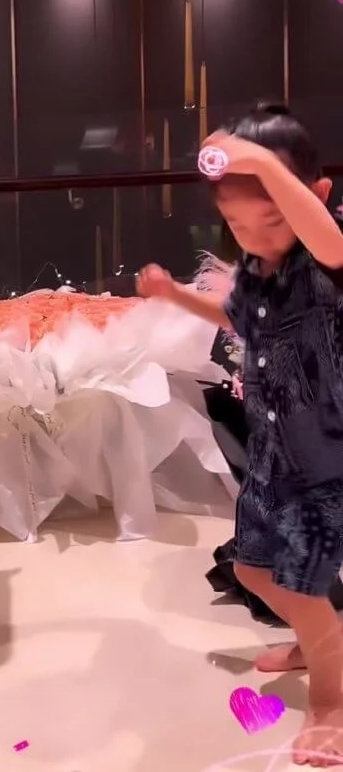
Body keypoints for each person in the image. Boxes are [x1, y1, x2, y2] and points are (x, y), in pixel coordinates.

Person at [137, 103, 343, 766]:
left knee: (305, 589)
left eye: (272, 220)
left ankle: (332, 701)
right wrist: (174, 295)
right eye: (237, 225)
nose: (256, 238)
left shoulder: (323, 263)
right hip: (272, 455)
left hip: (325, 463)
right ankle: (317, 638)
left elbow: (331, 242)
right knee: (253, 567)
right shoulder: (258, 270)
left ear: (315, 196)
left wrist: (258, 164)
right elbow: (239, 319)